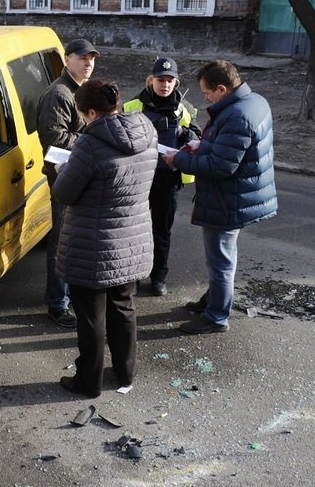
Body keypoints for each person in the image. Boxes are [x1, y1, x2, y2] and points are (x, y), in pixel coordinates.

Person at [52, 80, 157, 398]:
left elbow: (65, 193)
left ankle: (88, 381)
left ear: (92, 113)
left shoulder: (89, 144)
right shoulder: (147, 131)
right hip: (132, 241)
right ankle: (126, 372)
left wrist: (62, 170)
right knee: (124, 308)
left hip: (93, 246)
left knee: (91, 317)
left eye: (82, 114)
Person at [162, 60, 277, 334]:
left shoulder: (236, 115)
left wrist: (178, 160)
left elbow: (220, 166)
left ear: (222, 89)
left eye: (207, 93)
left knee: (221, 260)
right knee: (224, 256)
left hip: (227, 200)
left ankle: (216, 317)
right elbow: (232, 148)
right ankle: (214, 300)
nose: (206, 99)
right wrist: (203, 145)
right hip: (237, 196)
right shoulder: (253, 102)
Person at [123, 57, 201, 297]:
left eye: (169, 80)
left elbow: (198, 137)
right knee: (134, 230)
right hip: (139, 177)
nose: (165, 84)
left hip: (168, 178)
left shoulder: (184, 107)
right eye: (160, 79)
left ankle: (158, 277)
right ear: (151, 80)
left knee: (162, 231)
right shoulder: (133, 105)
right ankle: (134, 276)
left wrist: (185, 134)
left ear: (176, 82)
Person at [36, 38, 99, 329]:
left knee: (75, 239)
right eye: (82, 58)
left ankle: (69, 294)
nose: (88, 63)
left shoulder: (83, 90)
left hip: (80, 173)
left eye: (92, 58)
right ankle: (57, 303)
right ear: (66, 59)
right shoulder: (59, 93)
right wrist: (94, 137)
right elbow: (55, 139)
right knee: (62, 240)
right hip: (63, 176)